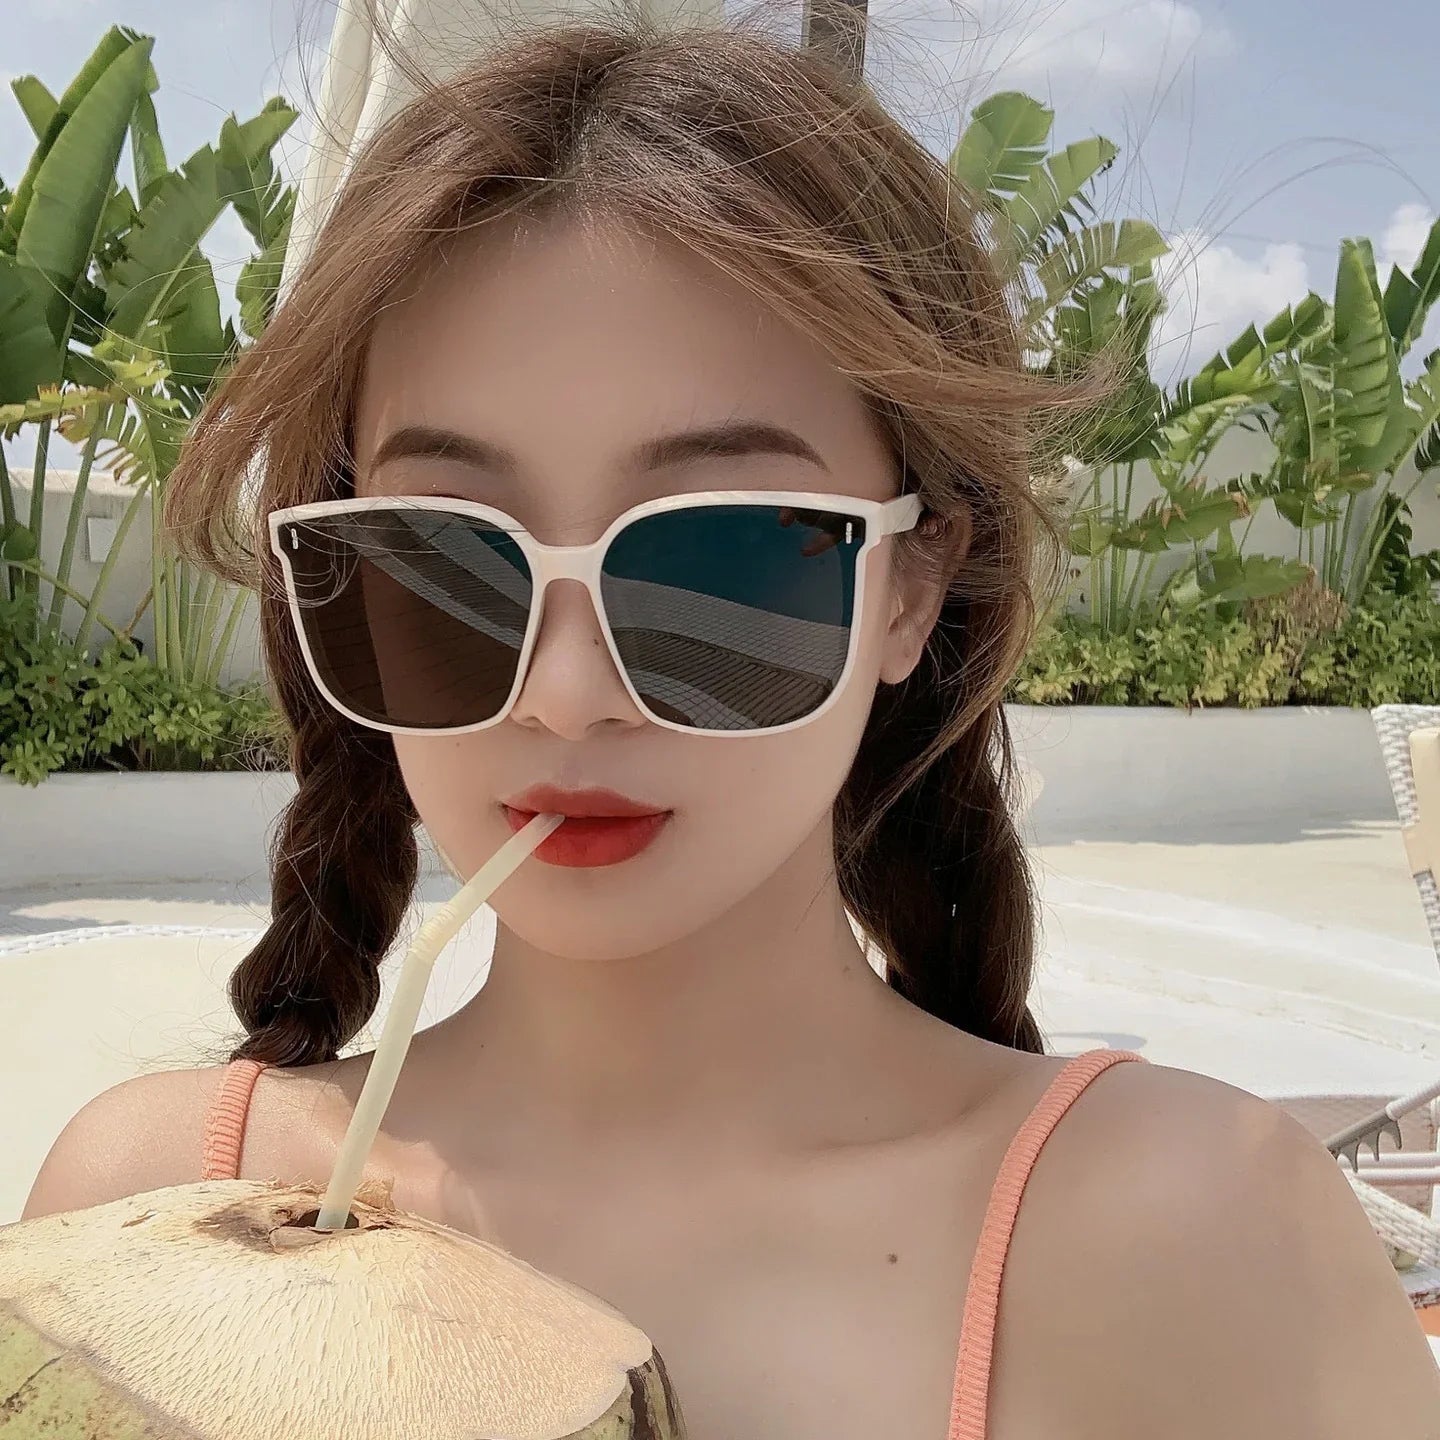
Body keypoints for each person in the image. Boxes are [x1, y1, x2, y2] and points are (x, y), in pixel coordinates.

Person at [24, 11, 1440, 1437]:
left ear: (911, 586)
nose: (567, 694)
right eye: (446, 561)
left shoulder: (1200, 1245)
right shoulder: (143, 1210)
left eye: (718, 557)